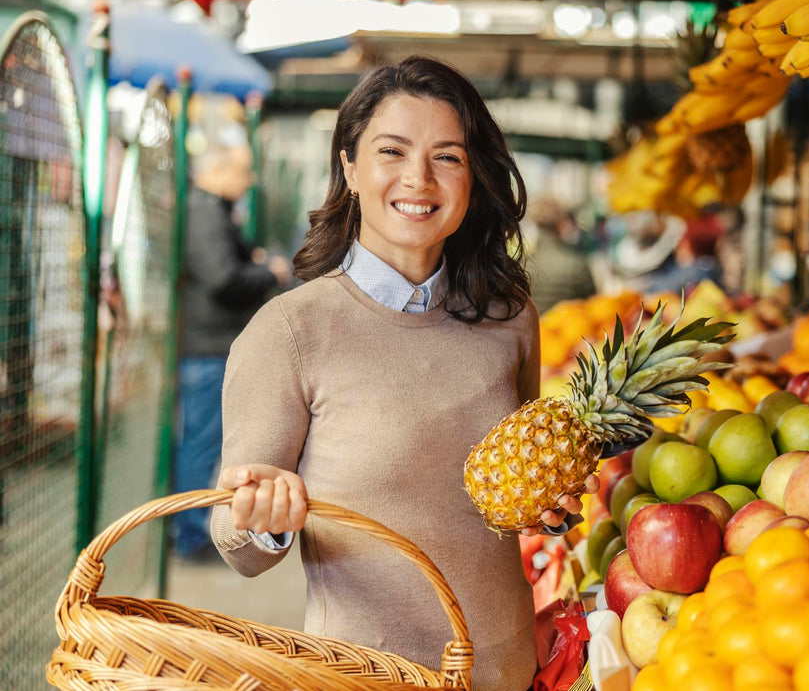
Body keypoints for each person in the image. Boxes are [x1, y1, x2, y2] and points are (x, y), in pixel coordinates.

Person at [210, 56, 596, 691]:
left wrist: (547, 511)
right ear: (350, 168)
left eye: (447, 156)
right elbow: (236, 541)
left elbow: (506, 510)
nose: (419, 178)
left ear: (473, 178)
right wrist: (266, 520)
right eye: (392, 151)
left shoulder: (512, 319)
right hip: (361, 678)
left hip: (506, 669)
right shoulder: (289, 332)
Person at [173, 124, 290, 561]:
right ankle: (187, 535)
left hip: (213, 343)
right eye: (242, 171)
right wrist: (269, 274)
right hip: (207, 348)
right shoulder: (204, 213)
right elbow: (222, 277)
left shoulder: (215, 210)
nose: (249, 180)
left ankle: (188, 531)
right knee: (201, 443)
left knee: (203, 442)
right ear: (216, 170)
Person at [525, 196, 596, 313]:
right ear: (560, 223)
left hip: (533, 329)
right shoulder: (577, 264)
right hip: (567, 330)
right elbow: (591, 305)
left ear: (536, 223)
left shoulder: (522, 265)